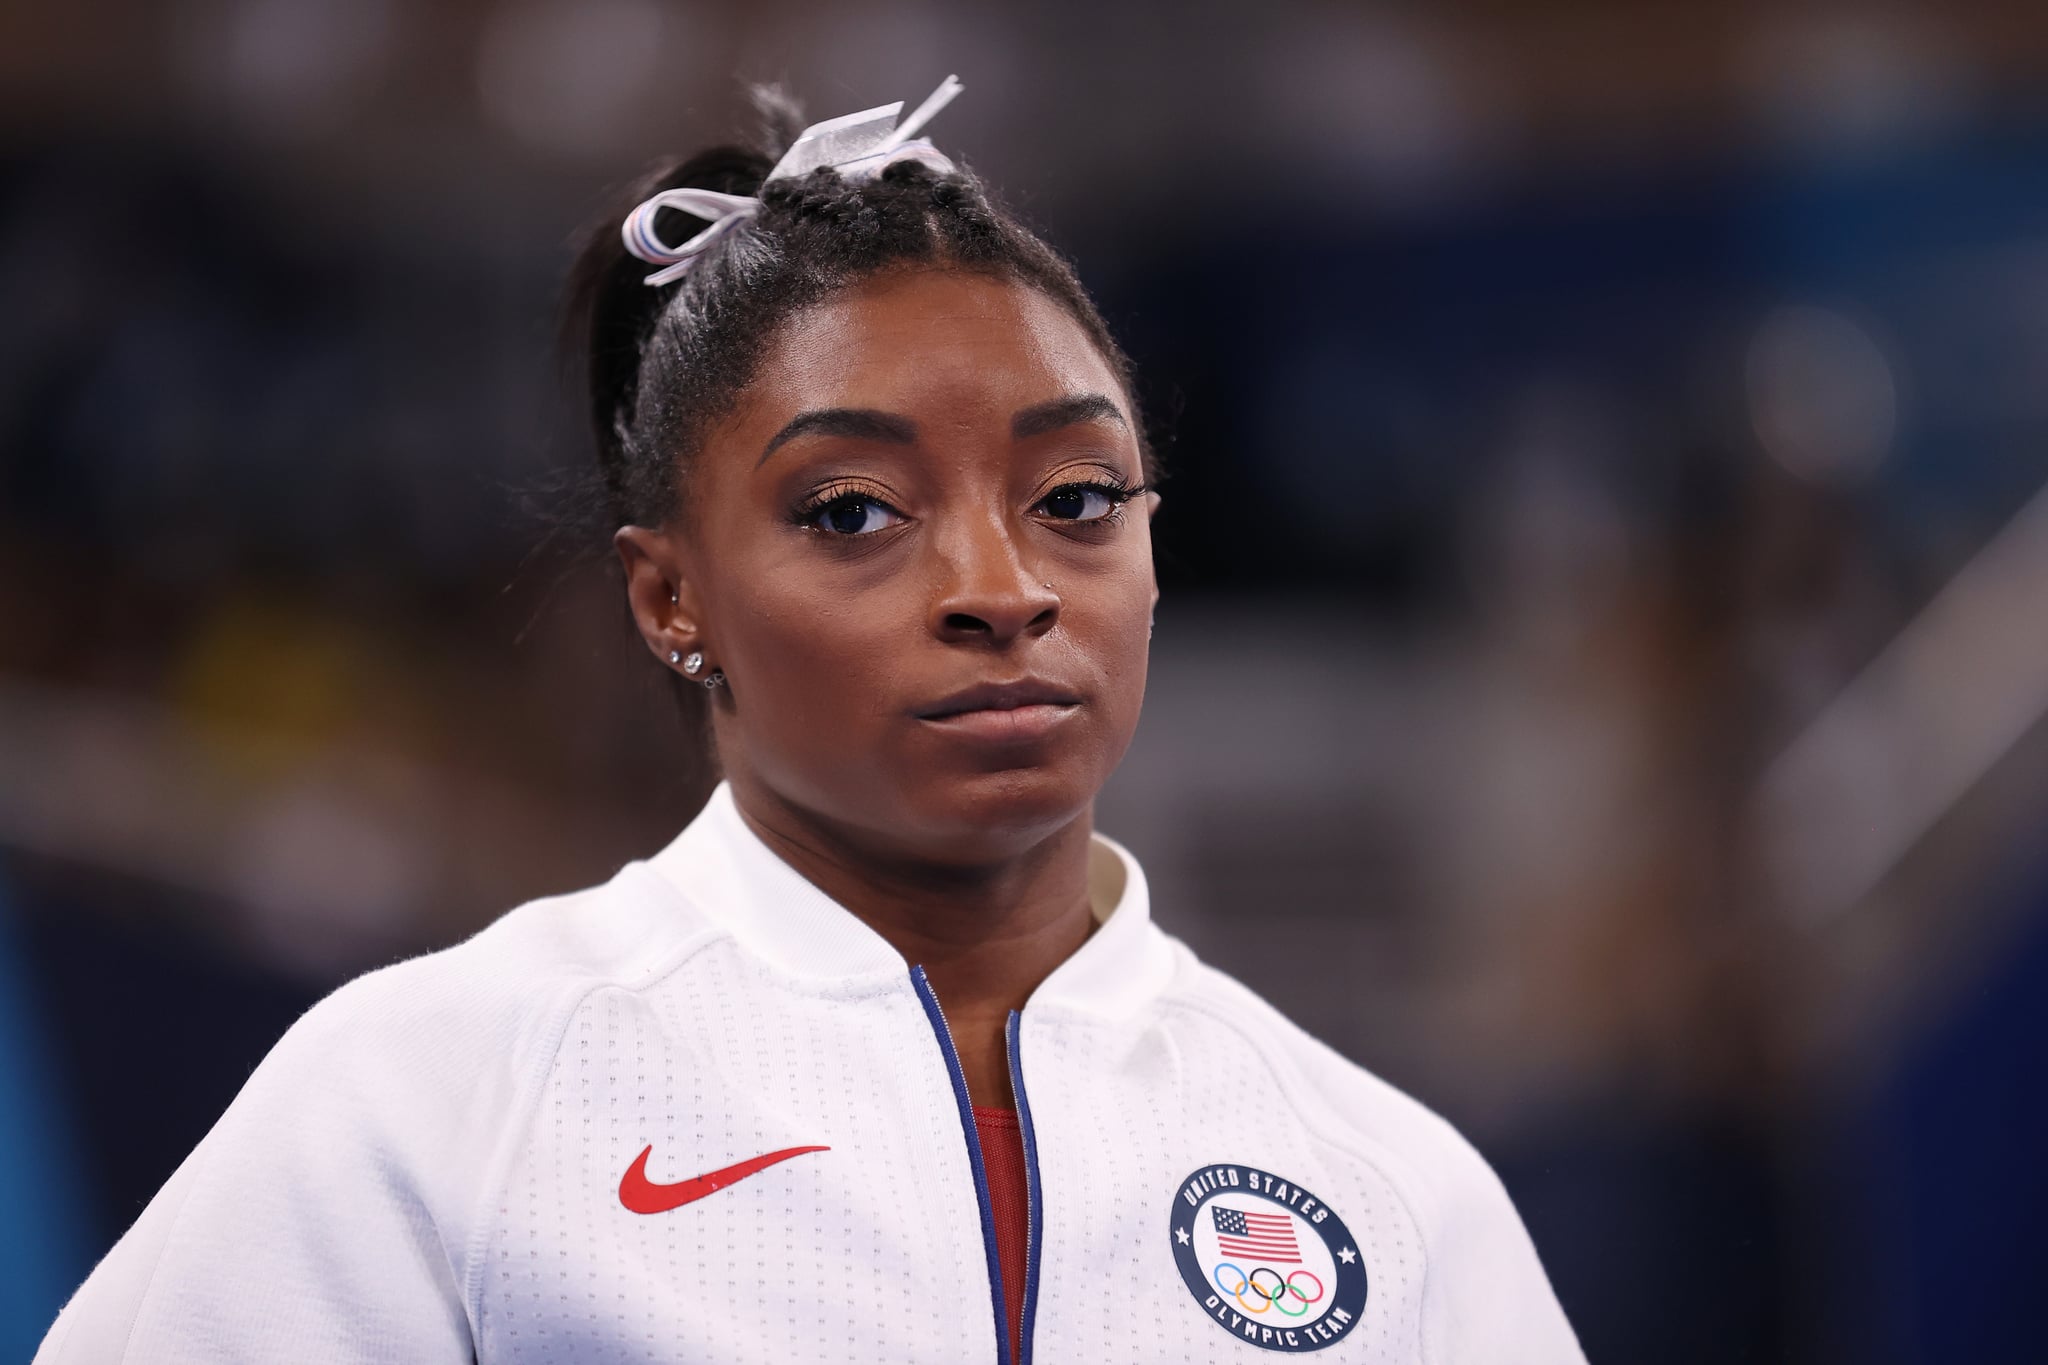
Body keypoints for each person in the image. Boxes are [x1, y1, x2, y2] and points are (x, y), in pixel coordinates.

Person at [35, 78, 1583, 1364]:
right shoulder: (436, 1101)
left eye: (1076, 499)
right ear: (669, 600)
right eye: (853, 510)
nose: (1001, 588)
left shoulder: (1387, 1192)